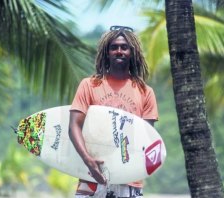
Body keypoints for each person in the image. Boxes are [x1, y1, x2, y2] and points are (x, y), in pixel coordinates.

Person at [68, 25, 159, 198]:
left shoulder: (145, 92)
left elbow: (147, 139)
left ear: (132, 53)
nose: (119, 51)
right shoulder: (90, 85)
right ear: (106, 52)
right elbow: (74, 126)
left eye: (124, 47)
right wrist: (88, 160)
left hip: (129, 180)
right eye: (114, 47)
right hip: (91, 177)